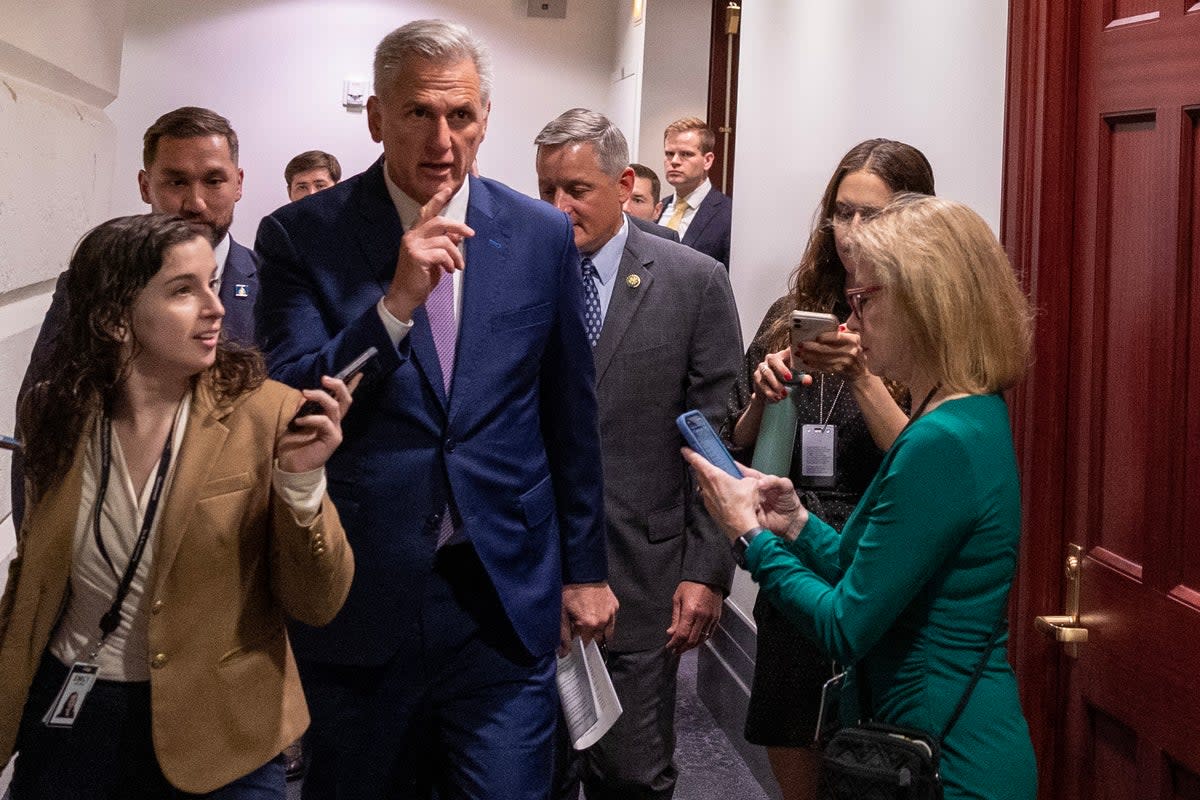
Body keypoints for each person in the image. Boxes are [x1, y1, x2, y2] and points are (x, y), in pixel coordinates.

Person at [253, 20, 611, 799]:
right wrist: (394, 307)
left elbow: (569, 417)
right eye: (419, 113)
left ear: (486, 117)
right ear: (377, 118)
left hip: (501, 594)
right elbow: (295, 404)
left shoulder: (542, 233)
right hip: (361, 593)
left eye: (462, 116)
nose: (443, 138)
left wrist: (585, 570)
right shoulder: (300, 235)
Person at [686, 194, 1038, 800]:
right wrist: (794, 522)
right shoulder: (963, 413)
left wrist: (752, 537)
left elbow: (846, 625)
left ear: (927, 304)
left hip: (943, 761)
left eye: (864, 301)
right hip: (933, 739)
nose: (849, 325)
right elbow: (866, 563)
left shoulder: (942, 441)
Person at [0, 214, 355, 799]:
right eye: (184, 290)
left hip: (220, 734)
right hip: (72, 717)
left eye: (212, 284)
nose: (216, 308)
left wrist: (301, 482)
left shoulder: (268, 414)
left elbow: (318, 601)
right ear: (116, 318)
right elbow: (35, 577)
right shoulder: (58, 413)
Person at [534, 108, 741, 800]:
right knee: (533, 776)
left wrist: (708, 570)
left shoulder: (693, 280)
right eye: (546, 191)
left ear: (623, 183)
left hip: (643, 578)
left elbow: (712, 436)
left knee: (631, 775)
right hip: (532, 573)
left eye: (576, 190)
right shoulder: (520, 277)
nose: (558, 209)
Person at [720, 138, 934, 799]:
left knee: (871, 767)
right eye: (842, 213)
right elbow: (742, 448)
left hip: (878, 563)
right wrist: (764, 396)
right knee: (793, 745)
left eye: (872, 215)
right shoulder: (795, 314)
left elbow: (931, 464)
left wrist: (862, 376)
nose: (851, 232)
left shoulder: (928, 323)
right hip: (793, 552)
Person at [11, 106, 258, 532]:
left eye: (213, 180)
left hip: (224, 542)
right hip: (108, 529)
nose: (195, 202)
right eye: (176, 181)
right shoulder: (90, 284)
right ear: (146, 186)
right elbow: (42, 418)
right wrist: (35, 548)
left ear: (238, 183)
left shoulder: (275, 287)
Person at [657, 117, 732, 269]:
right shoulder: (659, 208)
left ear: (707, 161)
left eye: (686, 154)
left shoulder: (728, 214)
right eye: (669, 154)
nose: (675, 161)